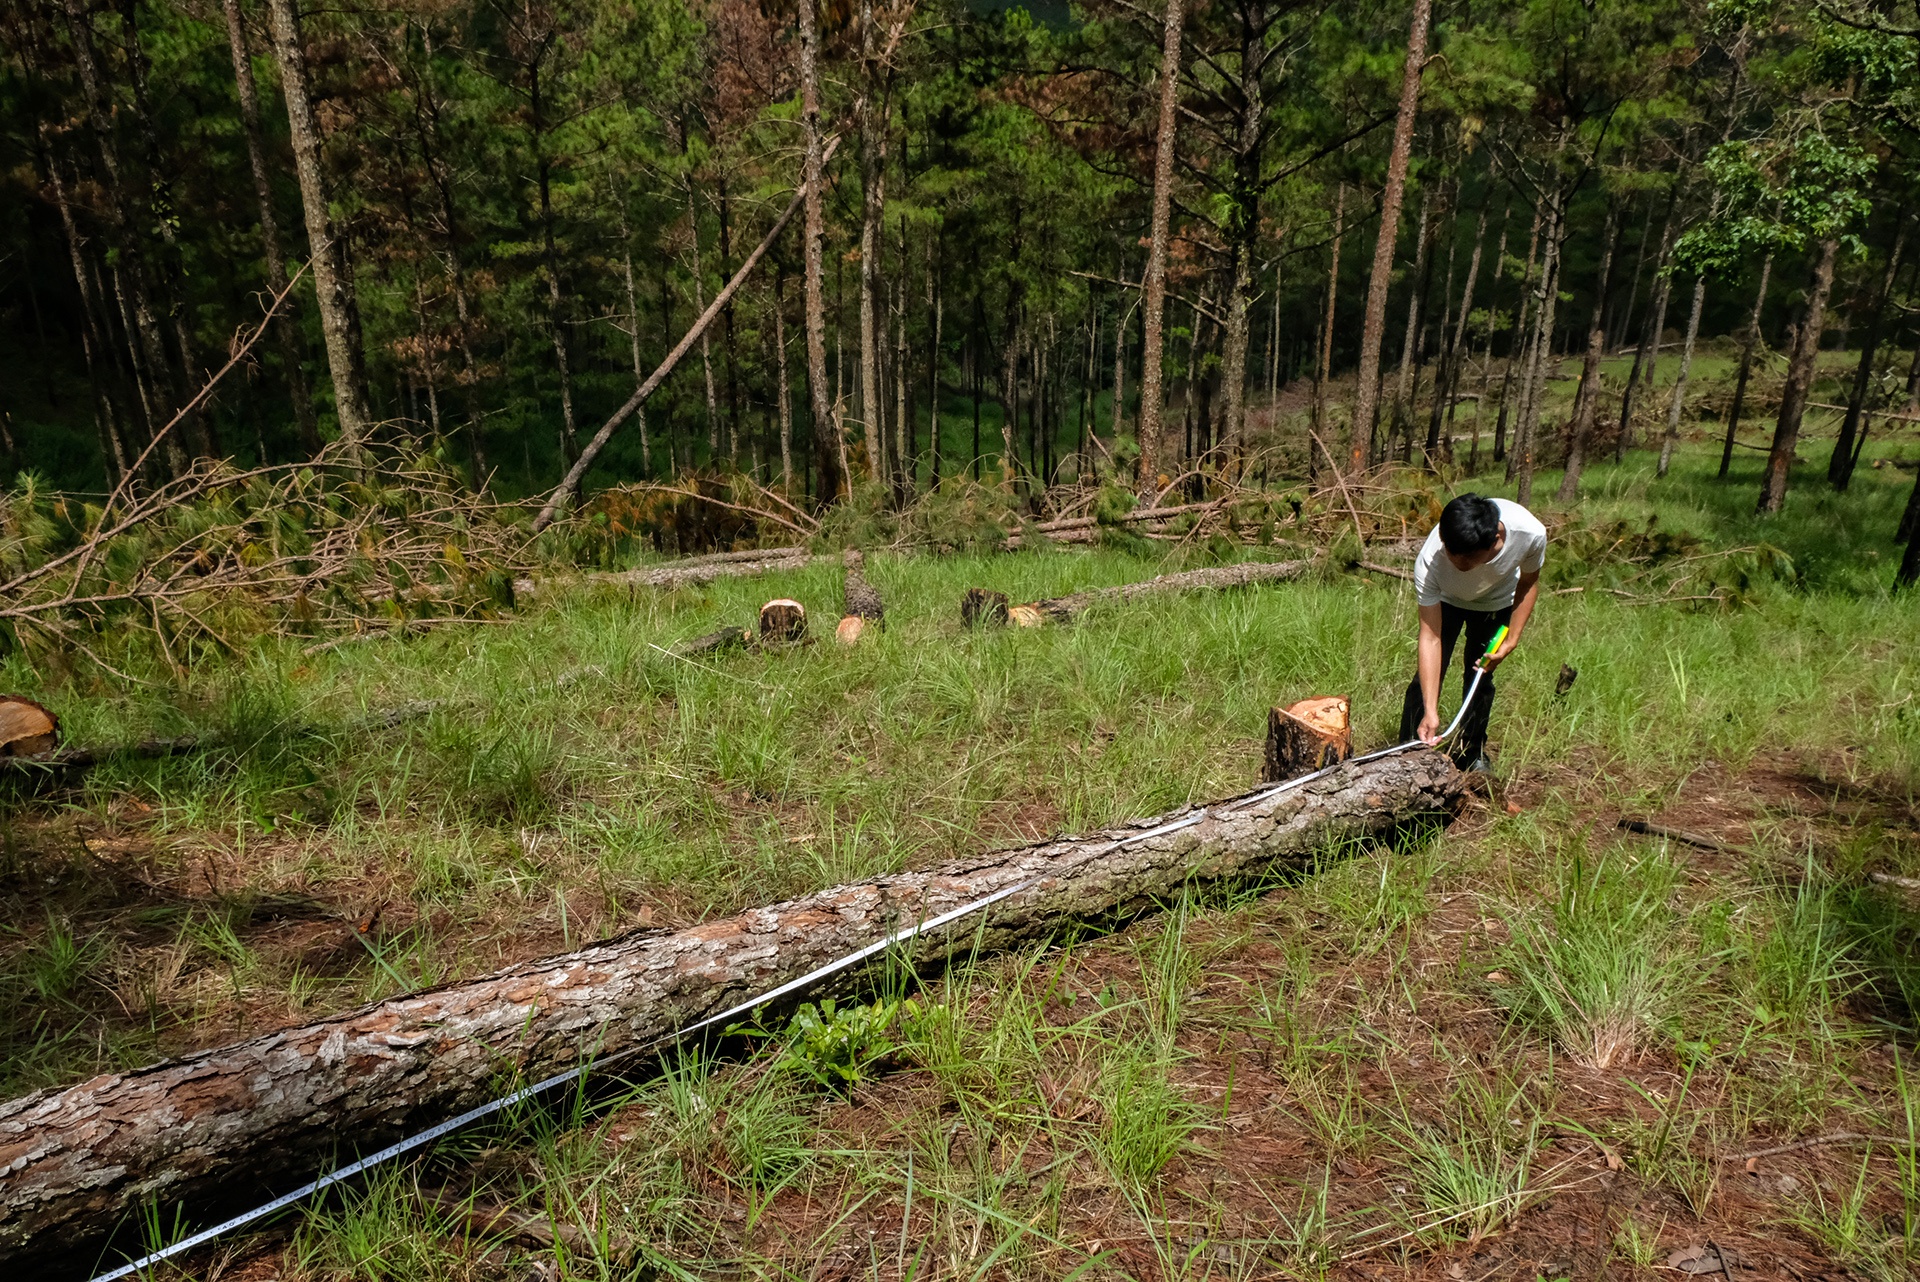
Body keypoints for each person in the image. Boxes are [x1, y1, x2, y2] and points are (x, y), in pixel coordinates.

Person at [1399, 492, 1546, 770]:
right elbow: (1430, 637)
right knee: (1425, 680)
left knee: (1480, 678)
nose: (1457, 563)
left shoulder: (1530, 534)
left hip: (1496, 604)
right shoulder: (1430, 559)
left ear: (1494, 542)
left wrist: (1512, 639)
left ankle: (1472, 752)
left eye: (1466, 560)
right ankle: (1408, 750)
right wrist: (1431, 710)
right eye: (1450, 554)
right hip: (1446, 602)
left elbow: (1528, 582)